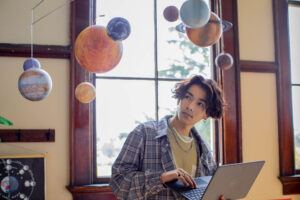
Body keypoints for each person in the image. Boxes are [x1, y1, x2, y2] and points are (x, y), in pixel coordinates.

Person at [110, 75, 225, 200]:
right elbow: (119, 184)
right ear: (180, 98)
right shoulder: (144, 133)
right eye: (188, 97)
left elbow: (207, 192)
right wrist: (161, 178)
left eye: (200, 104)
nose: (190, 106)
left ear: (206, 114)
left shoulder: (204, 150)